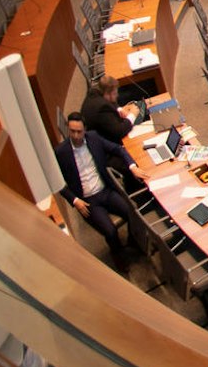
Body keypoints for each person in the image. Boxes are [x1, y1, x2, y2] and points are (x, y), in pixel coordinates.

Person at [54, 112, 142, 271]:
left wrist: (132, 167)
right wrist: (74, 200)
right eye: (72, 131)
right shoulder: (61, 152)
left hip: (105, 191)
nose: (75, 135)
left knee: (132, 211)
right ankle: (119, 255)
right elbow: (56, 181)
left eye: (79, 131)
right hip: (88, 201)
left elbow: (118, 149)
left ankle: (133, 244)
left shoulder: (93, 138)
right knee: (110, 231)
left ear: (85, 129)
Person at [79, 75, 142, 144]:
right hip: (102, 144)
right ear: (107, 94)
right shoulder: (103, 108)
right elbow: (120, 132)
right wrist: (132, 115)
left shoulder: (94, 93)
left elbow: (112, 102)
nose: (117, 95)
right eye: (114, 93)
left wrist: (119, 109)